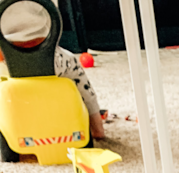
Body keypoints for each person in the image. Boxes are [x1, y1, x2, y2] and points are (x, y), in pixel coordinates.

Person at [0, 0, 105, 139]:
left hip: (6, 63)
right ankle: (96, 125)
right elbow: (53, 18)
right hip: (49, 60)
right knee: (75, 70)